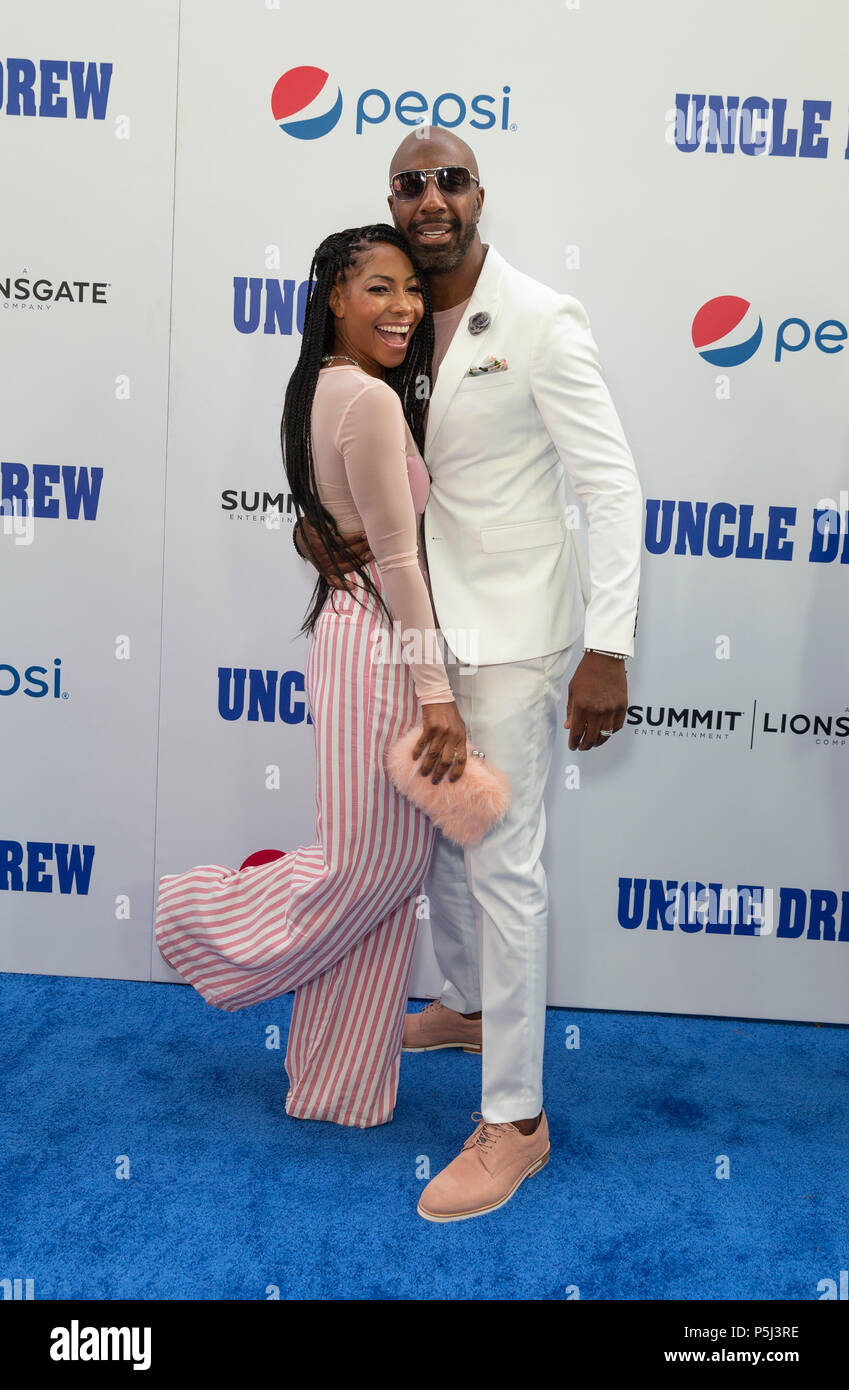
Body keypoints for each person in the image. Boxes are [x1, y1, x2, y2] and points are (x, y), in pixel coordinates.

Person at [294, 130, 643, 1219]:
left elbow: (613, 483)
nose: (432, 198)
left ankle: (516, 1122)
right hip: (420, 633)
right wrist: (324, 529)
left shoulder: (540, 319)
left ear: (480, 194)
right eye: (412, 184)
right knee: (443, 841)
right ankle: (468, 1004)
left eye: (451, 180)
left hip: (516, 638)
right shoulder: (389, 315)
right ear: (391, 201)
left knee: (503, 867)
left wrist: (610, 642)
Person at [155, 223, 469, 1130]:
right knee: (368, 863)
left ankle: (339, 1084)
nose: (403, 305)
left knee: (386, 875)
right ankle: (201, 913)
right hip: (378, 643)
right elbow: (400, 562)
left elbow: (356, 533)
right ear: (334, 295)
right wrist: (437, 693)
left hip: (355, 633)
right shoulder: (363, 401)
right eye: (378, 287)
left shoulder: (326, 388)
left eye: (411, 287)